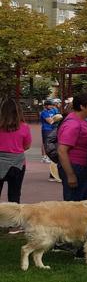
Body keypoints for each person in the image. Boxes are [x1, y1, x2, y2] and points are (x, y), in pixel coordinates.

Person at [57, 93, 87, 202]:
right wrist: (70, 175)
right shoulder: (73, 124)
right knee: (74, 206)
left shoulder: (81, 121)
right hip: (76, 167)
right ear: (82, 106)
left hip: (82, 167)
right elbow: (62, 150)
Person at [0, 99, 31, 234]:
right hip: (17, 163)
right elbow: (27, 145)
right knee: (14, 193)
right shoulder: (24, 127)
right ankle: (14, 224)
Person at [40, 99, 58, 165]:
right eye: (50, 105)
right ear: (46, 106)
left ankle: (48, 156)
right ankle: (44, 157)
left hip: (52, 128)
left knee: (50, 143)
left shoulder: (53, 110)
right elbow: (50, 121)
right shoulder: (44, 112)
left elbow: (58, 116)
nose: (51, 106)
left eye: (51, 105)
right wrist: (56, 118)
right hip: (46, 129)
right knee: (45, 142)